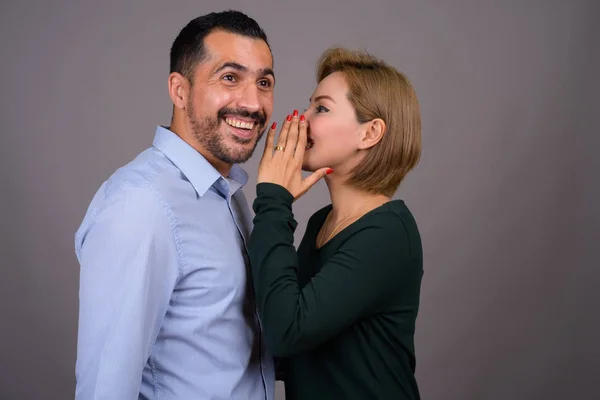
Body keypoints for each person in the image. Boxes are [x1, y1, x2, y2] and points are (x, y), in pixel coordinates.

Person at [74, 10, 277, 399]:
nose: (253, 103)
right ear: (179, 90)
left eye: (264, 82)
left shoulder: (228, 194)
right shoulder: (141, 205)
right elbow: (105, 389)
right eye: (230, 78)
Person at [248, 47, 424, 399]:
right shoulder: (321, 223)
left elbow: (288, 331)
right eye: (309, 104)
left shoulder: (387, 232)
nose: (302, 119)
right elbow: (280, 332)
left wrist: (274, 199)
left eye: (322, 108)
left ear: (369, 133)